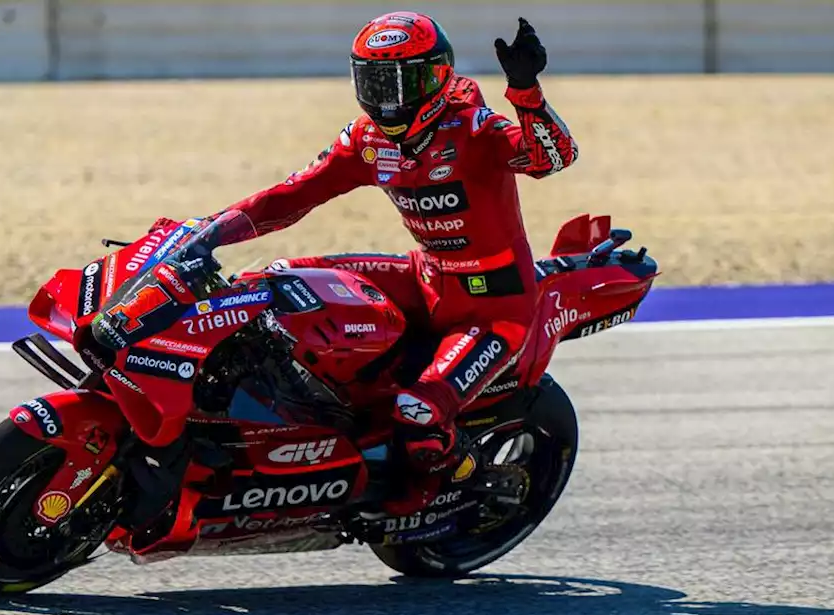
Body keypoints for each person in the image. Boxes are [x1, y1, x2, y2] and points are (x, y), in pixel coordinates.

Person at [154, 12, 578, 516]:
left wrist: (526, 91)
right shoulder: (366, 139)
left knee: (418, 414)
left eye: (407, 80)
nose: (391, 97)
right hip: (426, 279)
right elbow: (290, 196)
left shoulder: (473, 129)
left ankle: (438, 493)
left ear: (439, 76)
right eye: (376, 80)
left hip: (495, 309)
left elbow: (552, 157)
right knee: (272, 282)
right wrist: (208, 236)